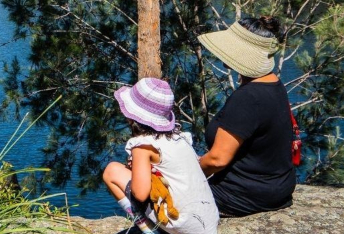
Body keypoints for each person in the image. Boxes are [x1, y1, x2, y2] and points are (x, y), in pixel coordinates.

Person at [197, 16, 296, 217]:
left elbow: (217, 160)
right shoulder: (274, 85)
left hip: (244, 196)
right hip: (278, 188)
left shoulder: (248, 96)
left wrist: (188, 173)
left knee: (151, 194)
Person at [103, 78, 219, 234]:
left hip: (180, 223)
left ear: (132, 116)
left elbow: (141, 193)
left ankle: (149, 231)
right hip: (208, 221)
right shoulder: (181, 137)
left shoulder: (143, 146)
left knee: (112, 171)